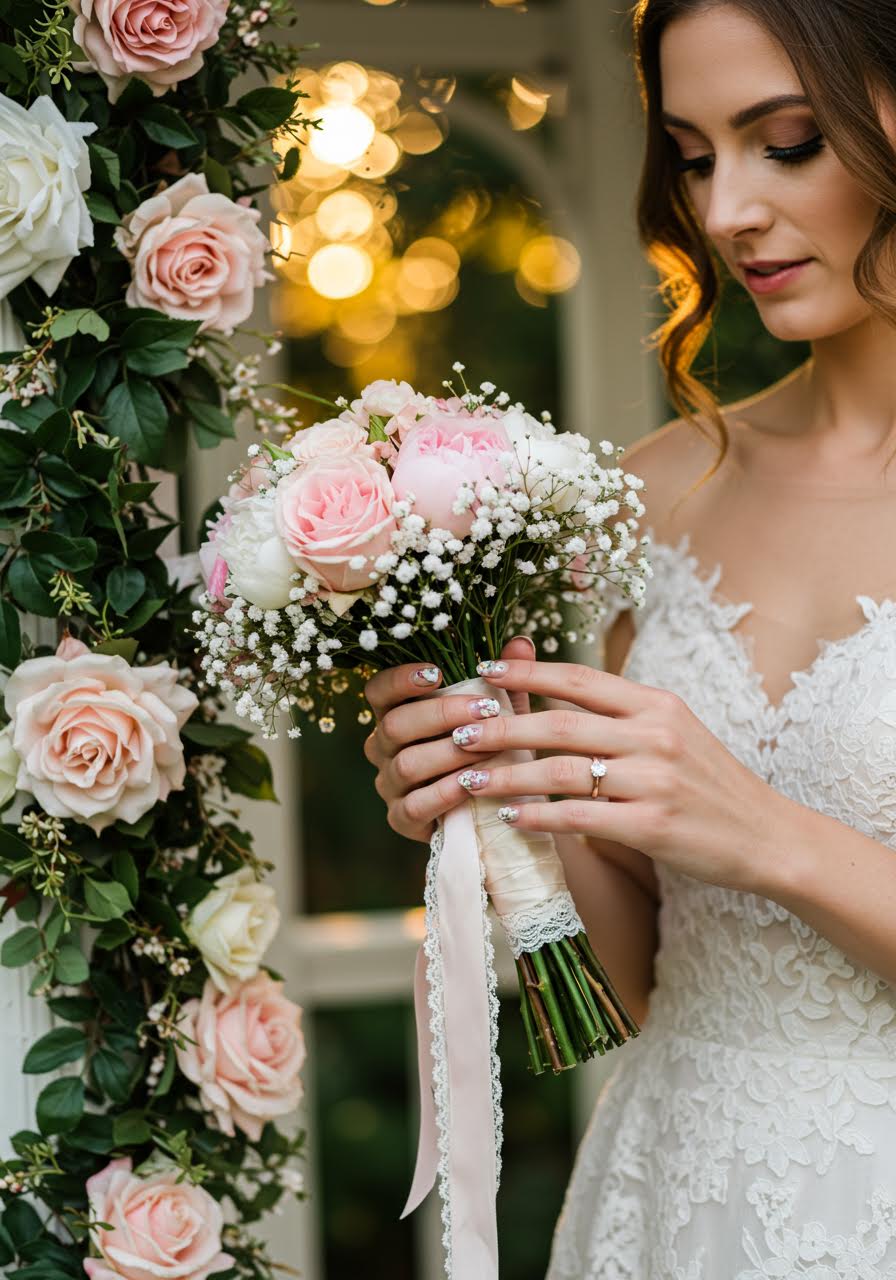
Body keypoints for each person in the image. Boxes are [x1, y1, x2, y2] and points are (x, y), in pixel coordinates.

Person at [364, 0, 896, 1274]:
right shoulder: (652, 490)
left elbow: (752, 840)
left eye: (783, 143)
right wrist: (507, 806)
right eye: (695, 155)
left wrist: (766, 833)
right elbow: (639, 981)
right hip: (673, 1188)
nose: (722, 216)